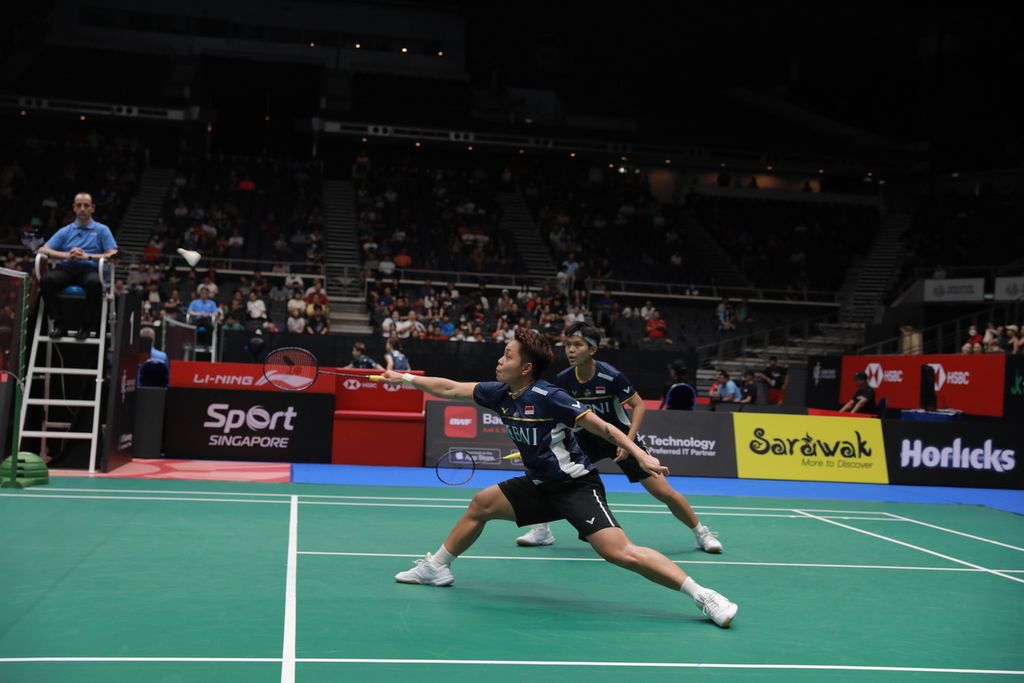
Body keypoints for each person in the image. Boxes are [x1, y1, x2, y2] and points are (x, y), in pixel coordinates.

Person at [380, 328, 738, 628]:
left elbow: (603, 427)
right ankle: (436, 568)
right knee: (482, 503)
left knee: (619, 552)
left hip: (576, 486)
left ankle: (703, 595)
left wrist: (642, 453)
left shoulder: (551, 397)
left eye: (507, 356)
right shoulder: (499, 393)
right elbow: (449, 388)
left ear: (527, 367)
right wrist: (405, 378)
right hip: (539, 485)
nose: (499, 361)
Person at [514, 324, 723, 554]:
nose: (571, 350)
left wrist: (629, 442)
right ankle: (541, 530)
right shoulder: (564, 379)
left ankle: (701, 532)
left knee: (662, 491)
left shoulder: (610, 376)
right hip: (585, 439)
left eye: (577, 345)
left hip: (620, 437)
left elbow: (639, 405)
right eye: (568, 345)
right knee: (551, 477)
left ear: (592, 350)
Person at [38, 192, 118, 340]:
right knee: (46, 281)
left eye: (86, 205)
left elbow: (113, 254)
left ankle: (86, 326)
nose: (82, 209)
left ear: (92, 208)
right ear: (74, 208)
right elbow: (43, 249)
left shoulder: (102, 230)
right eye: (79, 205)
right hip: (67, 269)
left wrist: (87, 256)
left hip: (90, 270)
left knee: (95, 283)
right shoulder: (66, 230)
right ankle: (60, 323)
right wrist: (67, 255)